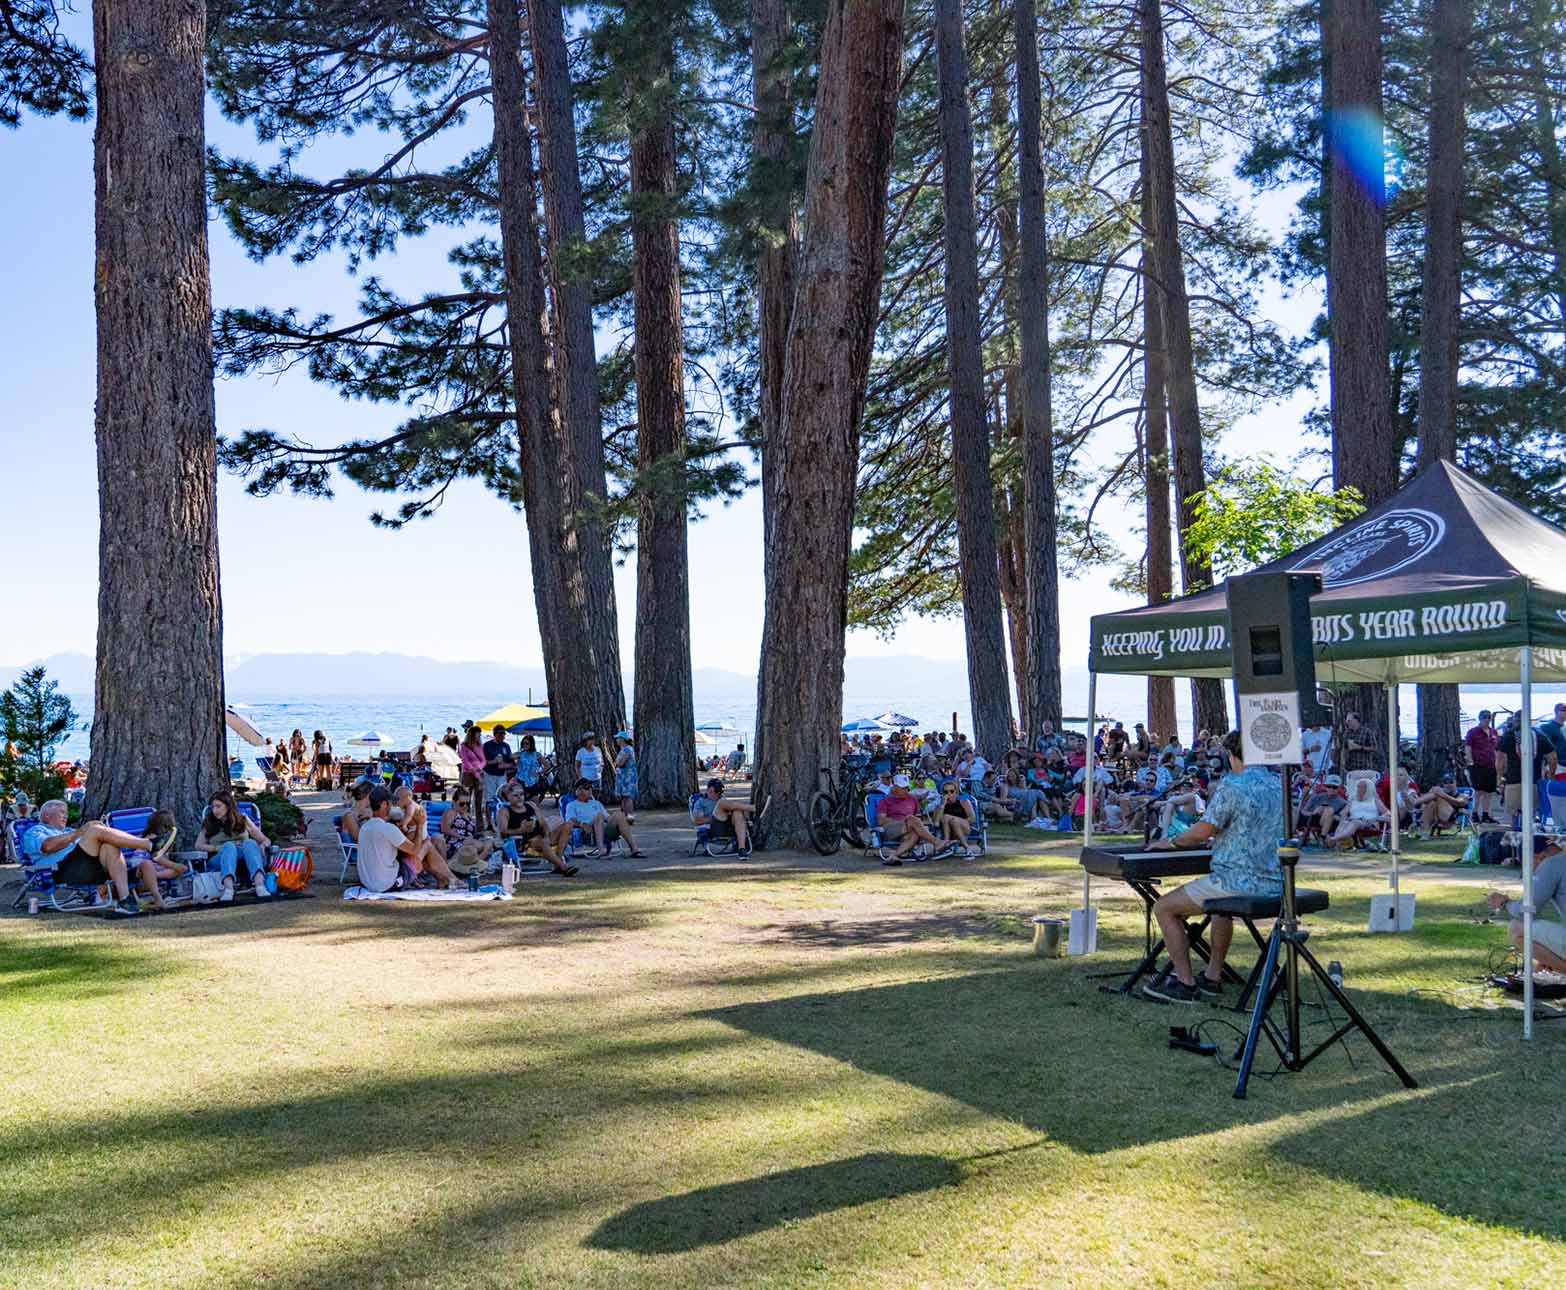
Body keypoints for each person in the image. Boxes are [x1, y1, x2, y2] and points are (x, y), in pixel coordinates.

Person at [1145, 730, 1281, 1003]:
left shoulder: (1234, 785)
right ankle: (1212, 976)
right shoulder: (1279, 785)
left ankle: (1185, 984)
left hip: (1237, 881)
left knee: (1164, 908)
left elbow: (1199, 833)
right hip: (1275, 882)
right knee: (1222, 912)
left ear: (1231, 756)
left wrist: (1168, 842)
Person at [20, 799, 171, 917]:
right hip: (61, 870)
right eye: (62, 812)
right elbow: (47, 847)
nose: (66, 815)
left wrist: (91, 833)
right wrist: (82, 831)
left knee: (109, 845)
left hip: (91, 869)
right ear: (47, 815)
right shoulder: (36, 831)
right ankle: (150, 845)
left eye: (66, 812)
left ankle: (125, 900)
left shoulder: (68, 830)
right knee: (94, 829)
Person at [357, 786, 460, 892]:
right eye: (390, 803)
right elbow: (415, 850)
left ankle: (443, 879)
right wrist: (420, 825)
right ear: (384, 804)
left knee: (418, 852)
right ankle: (452, 879)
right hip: (388, 885)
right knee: (426, 845)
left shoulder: (365, 827)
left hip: (368, 883)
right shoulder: (388, 828)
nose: (392, 806)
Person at [1487, 841, 1566, 972]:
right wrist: (1549, 958)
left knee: (1516, 927)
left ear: (1539, 857)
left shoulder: (1551, 864)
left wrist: (1505, 903)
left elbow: (1527, 910)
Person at [196, 790, 273, 901]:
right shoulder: (209, 823)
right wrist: (217, 848)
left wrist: (263, 845)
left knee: (250, 843)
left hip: (243, 855)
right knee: (229, 846)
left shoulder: (242, 819)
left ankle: (260, 885)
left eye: (218, 806)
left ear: (228, 806)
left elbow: (264, 839)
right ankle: (228, 889)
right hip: (219, 856)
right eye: (213, 807)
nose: (214, 810)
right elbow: (198, 845)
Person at [495, 781, 577, 875]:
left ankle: (557, 861)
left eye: (522, 794)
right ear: (507, 798)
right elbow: (503, 832)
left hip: (542, 838)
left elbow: (544, 824)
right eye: (515, 795)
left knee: (567, 826)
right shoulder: (504, 811)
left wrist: (546, 835)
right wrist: (520, 830)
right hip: (524, 843)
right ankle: (563, 867)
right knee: (541, 842)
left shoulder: (531, 805)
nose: (520, 798)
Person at [562, 778, 646, 857]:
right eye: (587, 788)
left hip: (605, 829)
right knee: (599, 816)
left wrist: (619, 821)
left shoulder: (596, 803)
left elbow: (608, 818)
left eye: (591, 787)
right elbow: (570, 820)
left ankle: (634, 849)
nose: (590, 790)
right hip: (588, 833)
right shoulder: (572, 805)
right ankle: (601, 850)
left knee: (619, 814)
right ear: (578, 791)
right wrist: (582, 824)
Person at [1497, 713, 1556, 823]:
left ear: (1516, 720)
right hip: (1533, 780)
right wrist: (1551, 776)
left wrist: (1500, 776)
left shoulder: (1509, 736)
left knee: (1515, 816)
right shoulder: (1539, 735)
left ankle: (1517, 836)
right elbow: (1552, 757)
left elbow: (1500, 758)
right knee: (1531, 815)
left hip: (1513, 780)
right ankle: (1529, 837)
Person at [876, 774, 941, 866]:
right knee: (911, 819)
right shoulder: (885, 801)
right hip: (890, 829)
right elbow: (881, 821)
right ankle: (937, 843)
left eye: (907, 787)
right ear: (894, 787)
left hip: (908, 828)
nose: (906, 790)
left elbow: (918, 816)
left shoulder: (912, 799)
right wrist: (904, 821)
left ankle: (893, 856)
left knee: (914, 832)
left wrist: (912, 822)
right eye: (903, 788)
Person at [430, 788, 495, 875]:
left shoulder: (468, 815)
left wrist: (480, 835)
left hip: (469, 842)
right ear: (454, 802)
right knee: (474, 844)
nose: (465, 806)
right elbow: (445, 829)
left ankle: (474, 866)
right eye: (461, 804)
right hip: (454, 842)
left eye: (467, 804)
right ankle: (450, 865)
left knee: (489, 842)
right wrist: (461, 837)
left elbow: (473, 832)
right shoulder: (451, 812)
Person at [690, 778, 757, 855]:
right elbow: (697, 820)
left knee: (737, 812)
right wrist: (715, 816)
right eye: (716, 790)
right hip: (715, 828)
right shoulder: (701, 802)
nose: (719, 793)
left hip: (729, 827)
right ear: (709, 790)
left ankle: (742, 848)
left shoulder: (721, 798)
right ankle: (753, 808)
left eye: (720, 791)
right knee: (722, 803)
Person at [1328, 778, 1389, 847]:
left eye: (1362, 787)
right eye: (1358, 786)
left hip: (1370, 824)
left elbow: (1388, 814)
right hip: (1353, 821)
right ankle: (1337, 843)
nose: (1359, 789)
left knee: (1355, 822)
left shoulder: (1374, 800)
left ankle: (1334, 839)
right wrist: (1343, 817)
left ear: (1368, 788)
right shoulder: (1353, 800)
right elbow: (1343, 813)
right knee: (1344, 822)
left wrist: (1377, 818)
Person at [1464, 709, 1500, 824]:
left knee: (1489, 792)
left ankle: (1485, 814)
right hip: (1477, 765)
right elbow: (1468, 747)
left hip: (1491, 765)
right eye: (1484, 717)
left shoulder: (1493, 732)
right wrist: (1470, 762)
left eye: (1488, 717)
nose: (1486, 720)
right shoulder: (1473, 732)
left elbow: (1495, 748)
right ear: (1480, 718)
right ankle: (1474, 813)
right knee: (1478, 791)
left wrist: (1497, 763)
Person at [1297, 775, 1346, 842]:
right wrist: (1314, 812)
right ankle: (1322, 838)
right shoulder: (1316, 797)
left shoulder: (1342, 802)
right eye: (1329, 786)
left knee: (1329, 810)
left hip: (1331, 823)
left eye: (1334, 787)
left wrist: (1332, 815)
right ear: (1325, 787)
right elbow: (1303, 811)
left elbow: (1343, 817)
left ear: (1339, 788)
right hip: (1312, 819)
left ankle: (1322, 837)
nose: (1331, 789)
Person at [481, 724, 516, 817]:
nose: (502, 736)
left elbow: (512, 763)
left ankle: (500, 818)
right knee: (490, 798)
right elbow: (482, 762)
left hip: (501, 775)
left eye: (504, 734)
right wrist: (494, 762)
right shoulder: (487, 746)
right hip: (489, 774)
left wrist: (505, 765)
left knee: (502, 796)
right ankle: (489, 822)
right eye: (500, 734)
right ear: (495, 734)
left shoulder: (506, 746)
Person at [934, 781, 975, 857]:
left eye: (952, 791)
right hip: (950, 832)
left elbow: (972, 819)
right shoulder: (939, 807)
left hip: (964, 828)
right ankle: (967, 849)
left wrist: (956, 821)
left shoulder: (964, 802)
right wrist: (943, 805)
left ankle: (946, 843)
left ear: (956, 792)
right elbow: (936, 823)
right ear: (943, 794)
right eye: (946, 792)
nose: (949, 794)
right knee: (949, 819)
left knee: (952, 819)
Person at [458, 725, 487, 816]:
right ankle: (465, 819)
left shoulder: (480, 746)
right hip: (468, 774)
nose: (479, 736)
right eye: (478, 734)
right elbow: (465, 760)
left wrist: (479, 768)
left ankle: (479, 825)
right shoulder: (464, 746)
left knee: (479, 800)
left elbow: (484, 760)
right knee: (466, 799)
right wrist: (473, 770)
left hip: (479, 773)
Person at [513, 734, 552, 801]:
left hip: (533, 782)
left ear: (531, 744)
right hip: (521, 781)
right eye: (523, 743)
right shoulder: (519, 754)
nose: (524, 745)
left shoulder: (537, 754)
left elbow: (547, 765)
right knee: (522, 802)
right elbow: (508, 757)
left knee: (535, 803)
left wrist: (539, 773)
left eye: (526, 743)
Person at [612, 732, 638, 821]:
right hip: (622, 777)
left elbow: (620, 763)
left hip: (628, 777)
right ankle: (624, 818)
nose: (616, 740)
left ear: (622, 739)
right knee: (623, 797)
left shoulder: (627, 749)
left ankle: (630, 818)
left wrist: (616, 764)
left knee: (628, 797)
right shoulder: (623, 749)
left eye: (618, 738)